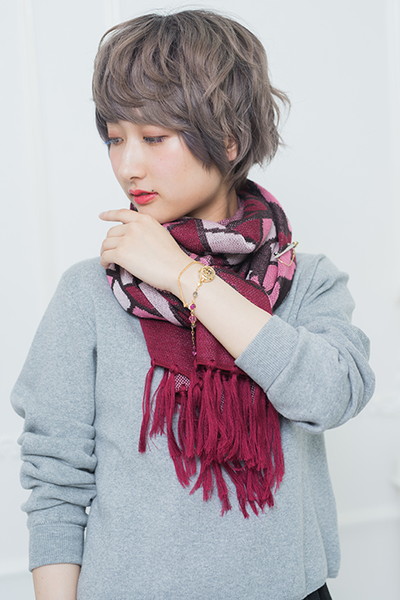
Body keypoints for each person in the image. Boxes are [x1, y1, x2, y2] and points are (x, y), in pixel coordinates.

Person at [10, 9, 375, 600]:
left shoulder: (306, 281)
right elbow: (56, 478)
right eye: (115, 138)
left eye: (154, 138)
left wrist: (184, 276)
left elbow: (330, 397)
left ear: (229, 138)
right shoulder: (89, 292)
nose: (127, 165)